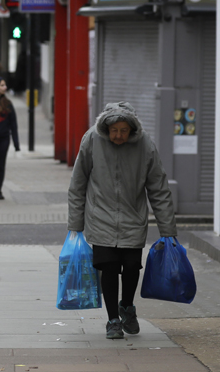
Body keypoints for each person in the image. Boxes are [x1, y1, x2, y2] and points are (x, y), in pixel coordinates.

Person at [67, 101, 177, 340]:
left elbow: (158, 188)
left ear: (132, 129)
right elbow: (77, 184)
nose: (118, 135)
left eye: (123, 131)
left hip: (133, 217)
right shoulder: (92, 140)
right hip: (101, 217)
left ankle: (127, 306)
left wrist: (167, 229)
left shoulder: (145, 145)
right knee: (108, 268)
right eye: (114, 130)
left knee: (130, 268)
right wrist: (75, 226)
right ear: (106, 128)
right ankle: (112, 320)